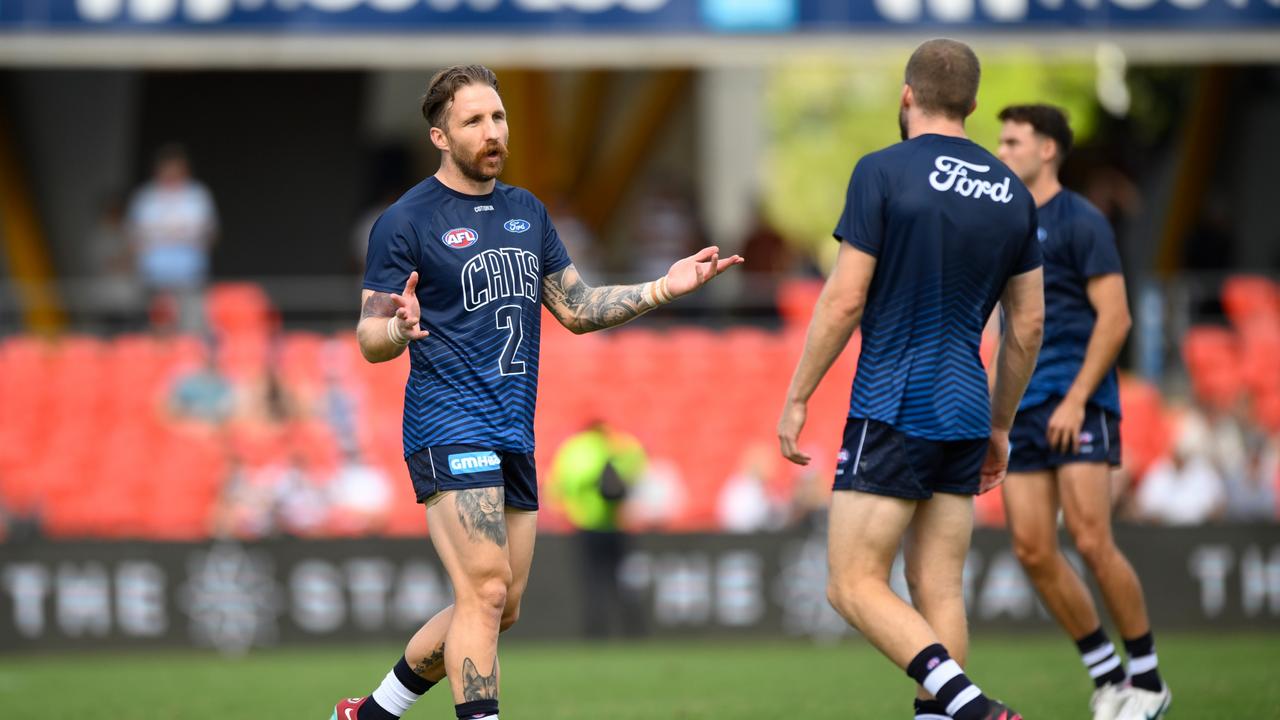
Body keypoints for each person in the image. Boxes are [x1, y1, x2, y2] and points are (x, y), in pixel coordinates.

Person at [333, 65, 742, 720]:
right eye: (473, 121)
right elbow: (367, 335)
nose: (492, 132)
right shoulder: (405, 221)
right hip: (446, 422)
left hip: (511, 430)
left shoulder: (527, 212)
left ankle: (371, 714)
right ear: (440, 135)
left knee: (501, 606)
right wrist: (398, 328)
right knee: (486, 590)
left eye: (498, 117)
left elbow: (577, 308)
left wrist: (665, 288)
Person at [776, 39, 1043, 720]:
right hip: (965, 408)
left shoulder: (882, 172)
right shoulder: (1012, 192)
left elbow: (843, 298)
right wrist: (1001, 424)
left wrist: (799, 394)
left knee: (850, 584)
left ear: (906, 96)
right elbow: (1029, 325)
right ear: (974, 105)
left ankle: (973, 708)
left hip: (893, 400)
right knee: (939, 588)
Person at [996, 104, 1171, 720]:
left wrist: (1074, 399)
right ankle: (1107, 675)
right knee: (1033, 550)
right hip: (1023, 406)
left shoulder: (1082, 220)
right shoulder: (1004, 221)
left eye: (1012, 140)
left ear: (1047, 149)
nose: (1002, 149)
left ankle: (1148, 679)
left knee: (1093, 540)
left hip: (1078, 403)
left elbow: (1116, 318)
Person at [548, 420, 648, 638]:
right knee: (623, 580)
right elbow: (637, 464)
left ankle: (596, 631)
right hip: (616, 524)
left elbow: (558, 488)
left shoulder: (573, 450)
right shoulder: (615, 445)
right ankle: (633, 630)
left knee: (592, 581)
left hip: (586, 525)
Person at [125, 144, 218, 334]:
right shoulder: (146, 198)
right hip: (153, 277)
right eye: (167, 168)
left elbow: (209, 233)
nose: (171, 173)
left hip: (190, 275)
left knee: (192, 329)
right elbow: (134, 236)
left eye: (176, 168)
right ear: (158, 170)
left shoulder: (197, 196)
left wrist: (164, 234)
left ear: (184, 169)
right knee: (158, 330)